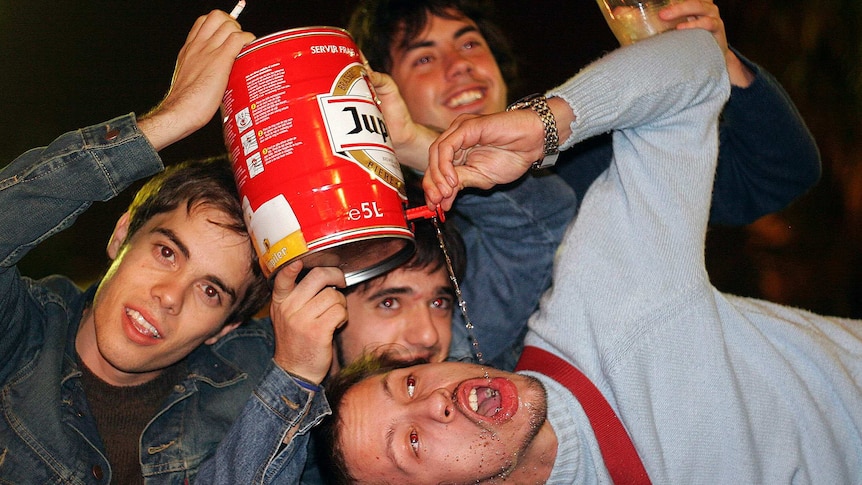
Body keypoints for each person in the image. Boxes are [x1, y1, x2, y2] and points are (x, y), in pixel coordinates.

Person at [316, 29, 862, 483]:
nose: (432, 401)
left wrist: (542, 126)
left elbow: (699, 72)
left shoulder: (598, 305)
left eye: (410, 382)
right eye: (411, 442)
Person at [347, 0, 822, 370]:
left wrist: (714, 60)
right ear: (384, 96)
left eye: (469, 44)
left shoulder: (587, 155)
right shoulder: (396, 238)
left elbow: (779, 174)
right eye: (424, 57)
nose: (458, 65)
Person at [0, 11, 280, 484]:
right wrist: (171, 118)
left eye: (211, 291)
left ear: (225, 327)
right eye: (167, 252)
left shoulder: (252, 383)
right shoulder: (22, 333)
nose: (170, 297)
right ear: (120, 235)